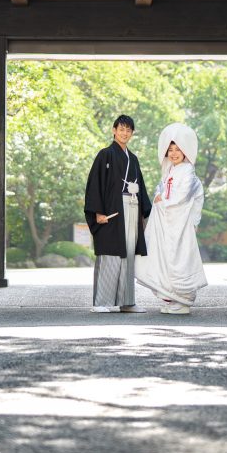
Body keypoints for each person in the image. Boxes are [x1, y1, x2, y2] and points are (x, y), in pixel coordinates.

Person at [135, 122, 207, 315]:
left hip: (179, 224)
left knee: (179, 258)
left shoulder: (188, 172)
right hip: (166, 223)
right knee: (163, 258)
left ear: (185, 151)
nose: (174, 153)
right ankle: (169, 297)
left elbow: (182, 197)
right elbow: (161, 190)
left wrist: (162, 202)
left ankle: (183, 299)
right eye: (170, 150)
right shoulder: (169, 171)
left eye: (178, 149)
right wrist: (159, 199)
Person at [83, 115, 152, 313]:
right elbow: (95, 185)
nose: (124, 133)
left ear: (132, 133)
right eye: (121, 129)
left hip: (131, 206)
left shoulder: (134, 159)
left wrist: (144, 212)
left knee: (129, 253)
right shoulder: (105, 155)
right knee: (110, 254)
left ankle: (127, 301)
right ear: (114, 130)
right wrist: (97, 212)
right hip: (111, 211)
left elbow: (142, 188)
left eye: (128, 130)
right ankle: (101, 302)